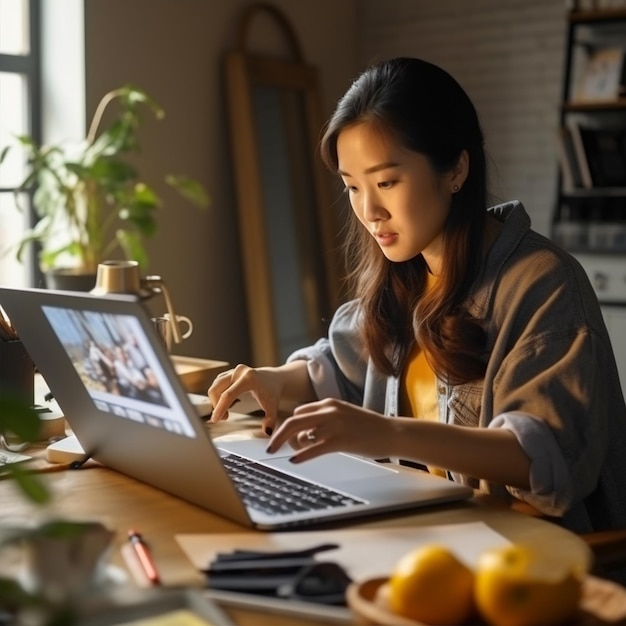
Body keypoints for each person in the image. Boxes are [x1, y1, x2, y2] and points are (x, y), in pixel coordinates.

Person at [208, 57, 626, 537]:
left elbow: (547, 457)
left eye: (387, 182)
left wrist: (384, 433)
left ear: (455, 170)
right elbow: (340, 367)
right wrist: (272, 380)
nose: (369, 211)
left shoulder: (542, 283)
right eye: (351, 187)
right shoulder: (405, 275)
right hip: (430, 537)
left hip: (531, 560)